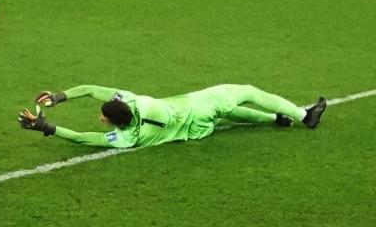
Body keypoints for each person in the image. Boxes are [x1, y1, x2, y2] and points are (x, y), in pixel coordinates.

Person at [18, 84, 327, 148]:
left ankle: (275, 119)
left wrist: (47, 127)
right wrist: (60, 96)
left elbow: (84, 139)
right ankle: (304, 115)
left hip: (195, 130)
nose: (101, 120)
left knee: (230, 115)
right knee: (246, 92)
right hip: (197, 105)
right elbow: (92, 89)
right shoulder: (135, 100)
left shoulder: (129, 137)